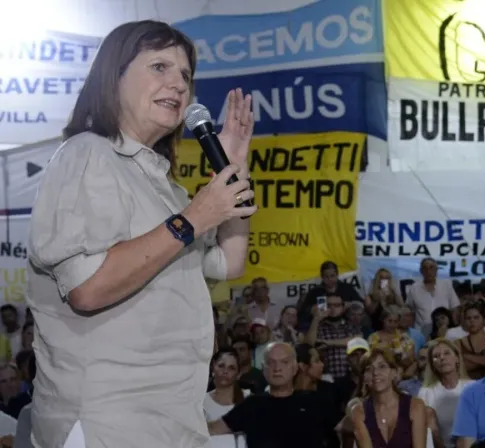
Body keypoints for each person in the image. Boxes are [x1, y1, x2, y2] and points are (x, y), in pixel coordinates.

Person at [25, 20, 257, 448]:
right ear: (114, 78)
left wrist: (235, 167)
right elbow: (87, 289)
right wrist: (192, 219)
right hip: (107, 421)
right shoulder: (87, 155)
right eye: (159, 67)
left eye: (185, 75)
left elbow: (230, 263)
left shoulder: (166, 187)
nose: (179, 84)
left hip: (172, 417)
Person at [209, 342, 335, 447]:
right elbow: (212, 429)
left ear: (295, 368)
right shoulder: (252, 405)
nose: (277, 368)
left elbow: (348, 426)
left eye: (284, 362)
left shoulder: (315, 401)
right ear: (264, 369)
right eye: (271, 362)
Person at [350, 348, 428, 447]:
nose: (375, 373)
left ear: (394, 373)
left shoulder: (416, 406)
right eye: (369, 369)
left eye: (382, 366)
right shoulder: (358, 412)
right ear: (364, 378)